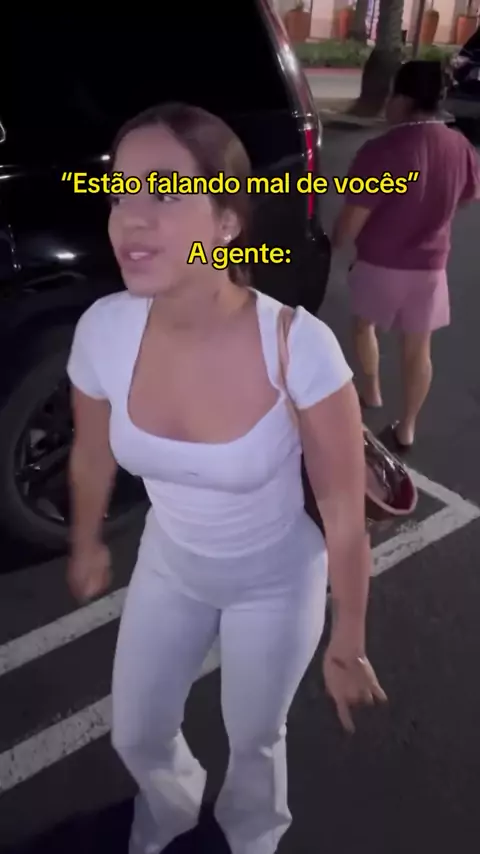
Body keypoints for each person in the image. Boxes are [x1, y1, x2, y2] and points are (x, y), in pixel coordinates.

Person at [66, 102, 386, 854]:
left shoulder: (299, 345)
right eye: (119, 191)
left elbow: (344, 511)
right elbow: (91, 452)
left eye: (164, 191)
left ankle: (253, 834)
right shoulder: (103, 329)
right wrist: (86, 540)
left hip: (276, 578)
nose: (130, 216)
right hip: (171, 565)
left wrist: (348, 637)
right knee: (137, 730)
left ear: (227, 222)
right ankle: (168, 811)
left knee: (255, 736)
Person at [332, 60, 480, 450]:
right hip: (431, 267)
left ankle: (372, 392)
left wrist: (333, 242)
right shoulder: (460, 145)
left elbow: (352, 220)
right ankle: (408, 426)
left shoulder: (381, 150)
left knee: (364, 327)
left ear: (402, 99)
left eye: (391, 96)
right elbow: (467, 196)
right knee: (418, 349)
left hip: (379, 263)